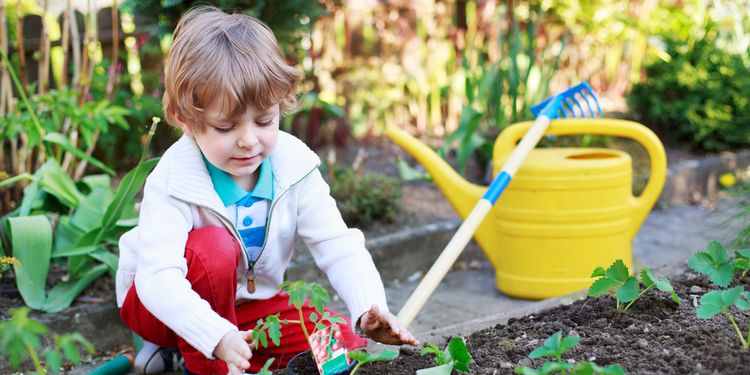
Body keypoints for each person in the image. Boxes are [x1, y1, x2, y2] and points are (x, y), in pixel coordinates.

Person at [115, 6, 419, 375]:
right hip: (159, 307)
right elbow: (158, 279)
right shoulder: (174, 179)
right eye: (226, 127)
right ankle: (197, 355)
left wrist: (368, 308)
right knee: (213, 248)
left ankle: (207, 352)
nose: (248, 141)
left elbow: (337, 245)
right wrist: (215, 335)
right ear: (186, 120)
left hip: (248, 307)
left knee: (340, 344)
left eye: (264, 121)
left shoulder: (293, 167)